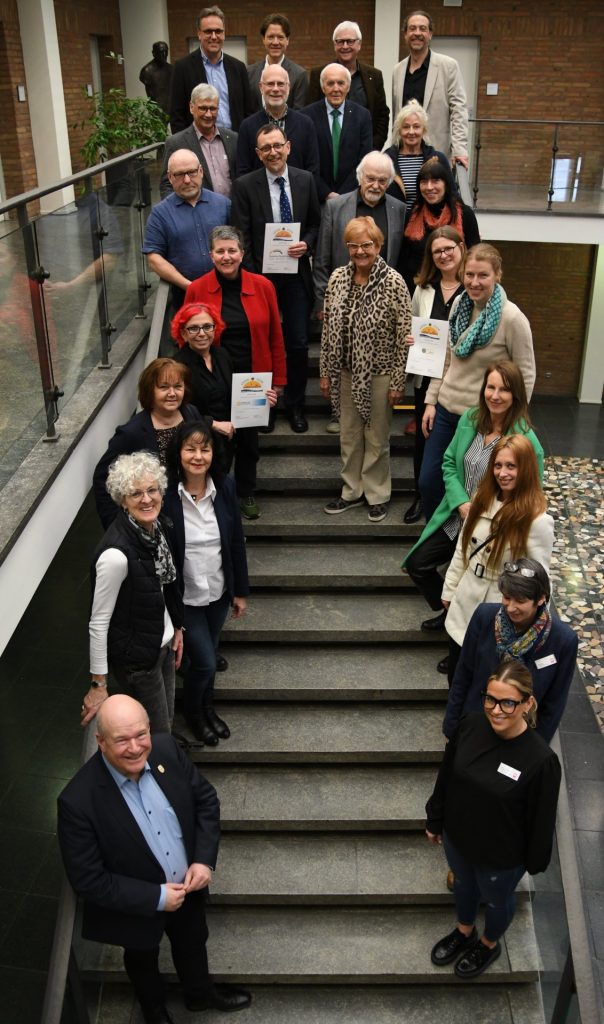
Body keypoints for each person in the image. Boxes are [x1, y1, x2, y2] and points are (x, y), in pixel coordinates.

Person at [58, 695, 251, 1023]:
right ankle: (155, 1011)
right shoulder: (76, 802)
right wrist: (158, 897)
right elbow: (88, 879)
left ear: (149, 729)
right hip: (135, 906)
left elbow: (205, 800)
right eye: (121, 740)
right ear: (100, 742)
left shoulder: (166, 750)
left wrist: (204, 861)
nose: (135, 748)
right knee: (141, 959)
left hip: (188, 889)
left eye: (140, 735)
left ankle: (199, 995)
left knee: (193, 943)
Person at [425, 661, 561, 979]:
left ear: (528, 703)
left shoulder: (541, 761)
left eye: (508, 702)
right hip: (458, 838)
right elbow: (447, 775)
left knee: (498, 901)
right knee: (463, 885)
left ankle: (488, 943)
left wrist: (533, 861)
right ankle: (464, 930)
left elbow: (541, 820)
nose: (496, 710)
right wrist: (435, 817)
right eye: (490, 699)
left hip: (501, 856)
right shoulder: (471, 724)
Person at [403, 361, 544, 642]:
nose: (495, 395)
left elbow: (531, 492)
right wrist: (460, 503)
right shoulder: (469, 419)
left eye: (503, 389)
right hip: (458, 516)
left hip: (492, 529)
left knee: (475, 586)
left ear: (515, 394)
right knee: (418, 564)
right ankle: (449, 613)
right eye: (490, 387)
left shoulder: (526, 440)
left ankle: (460, 644)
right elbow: (448, 463)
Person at [420, 243, 536, 521]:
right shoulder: (460, 305)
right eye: (469, 274)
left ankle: (462, 545)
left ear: (497, 275)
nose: (474, 282)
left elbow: (526, 373)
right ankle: (443, 538)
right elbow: (447, 357)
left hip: (481, 420)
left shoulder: (512, 318)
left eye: (483, 275)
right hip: (446, 410)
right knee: (428, 481)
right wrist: (431, 400)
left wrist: (512, 421)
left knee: (473, 489)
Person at [184, 226, 287, 520]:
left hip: (254, 380)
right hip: (212, 379)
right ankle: (212, 496)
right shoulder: (197, 289)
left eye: (232, 250)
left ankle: (246, 492)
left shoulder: (263, 286)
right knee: (213, 440)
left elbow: (275, 337)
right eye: (220, 251)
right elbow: (187, 334)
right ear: (211, 254)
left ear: (242, 254)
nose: (226, 256)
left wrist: (278, 382)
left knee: (249, 442)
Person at [82, 453, 184, 734]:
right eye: (135, 493)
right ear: (122, 499)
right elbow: (98, 624)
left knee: (166, 725)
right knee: (156, 735)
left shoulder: (155, 529)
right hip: (140, 661)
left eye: (152, 490)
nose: (147, 499)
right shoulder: (115, 555)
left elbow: (161, 588)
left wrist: (176, 627)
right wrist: (98, 685)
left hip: (162, 644)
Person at [441, 434, 554, 683]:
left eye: (511, 466)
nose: (503, 473)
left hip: (500, 610)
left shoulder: (537, 520)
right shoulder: (482, 498)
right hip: (466, 600)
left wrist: (529, 620)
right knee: (457, 678)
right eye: (498, 465)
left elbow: (539, 577)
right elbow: (463, 549)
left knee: (487, 684)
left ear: (525, 469)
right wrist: (449, 590)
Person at [320, 216, 411, 523]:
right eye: (353, 245)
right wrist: (324, 371)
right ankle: (350, 491)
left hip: (381, 374)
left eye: (366, 245)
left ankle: (377, 494)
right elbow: (327, 329)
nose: (360, 251)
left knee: (376, 437)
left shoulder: (395, 282)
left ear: (379, 245)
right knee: (348, 435)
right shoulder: (337, 278)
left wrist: (399, 380)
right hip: (345, 372)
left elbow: (404, 335)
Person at [162, 421, 249, 745]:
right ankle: (194, 714)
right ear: (178, 452)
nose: (198, 456)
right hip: (185, 599)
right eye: (190, 448)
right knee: (205, 662)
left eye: (205, 448)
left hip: (217, 591)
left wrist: (240, 590)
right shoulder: (166, 494)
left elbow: (236, 542)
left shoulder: (224, 487)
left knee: (209, 655)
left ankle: (208, 709)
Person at [232, 124, 321, 432]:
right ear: (258, 154)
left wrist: (306, 243)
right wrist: (254, 276)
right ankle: (265, 408)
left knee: (297, 344)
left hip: (296, 276)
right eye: (265, 148)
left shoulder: (305, 180)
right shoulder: (244, 185)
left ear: (288, 147)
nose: (272, 152)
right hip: (259, 278)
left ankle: (295, 405)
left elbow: (315, 223)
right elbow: (242, 234)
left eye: (277, 145)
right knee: (262, 344)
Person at [312, 151, 406, 435]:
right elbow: (322, 259)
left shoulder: (399, 209)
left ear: (388, 182)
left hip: (380, 300)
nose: (375, 184)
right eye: (370, 178)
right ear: (360, 178)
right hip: (342, 296)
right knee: (340, 356)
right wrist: (322, 300)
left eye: (382, 179)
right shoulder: (336, 206)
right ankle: (339, 413)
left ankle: (370, 417)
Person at [445, 558, 578, 742]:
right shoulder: (484, 616)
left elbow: (554, 703)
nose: (511, 607)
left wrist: (535, 749)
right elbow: (463, 675)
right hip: (474, 727)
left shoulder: (563, 640)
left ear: (540, 599)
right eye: (507, 597)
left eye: (520, 601)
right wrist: (451, 728)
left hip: (522, 737)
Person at [171, 301, 278, 502]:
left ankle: (246, 494)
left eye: (207, 327)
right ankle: (216, 502)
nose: (202, 333)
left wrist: (262, 399)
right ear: (183, 333)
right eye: (193, 328)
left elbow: (239, 390)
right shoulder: (178, 365)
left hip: (233, 419)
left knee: (249, 437)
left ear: (215, 329)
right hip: (202, 426)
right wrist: (213, 423)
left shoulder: (222, 354)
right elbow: (178, 410)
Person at [402, 227, 466, 524]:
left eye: (448, 248)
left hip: (461, 379)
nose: (443, 255)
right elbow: (415, 324)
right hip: (427, 376)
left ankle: (453, 501)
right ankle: (422, 495)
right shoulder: (423, 288)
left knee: (457, 442)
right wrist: (411, 340)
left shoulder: (473, 287)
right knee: (424, 439)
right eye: (437, 251)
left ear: (460, 247)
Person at [93, 358, 201, 530]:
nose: (172, 393)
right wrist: (116, 525)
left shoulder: (191, 413)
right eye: (164, 387)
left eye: (178, 386)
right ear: (149, 391)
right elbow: (102, 478)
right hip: (156, 519)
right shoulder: (131, 432)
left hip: (193, 510)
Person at [143, 149, 230, 313]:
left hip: (226, 292)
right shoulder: (160, 214)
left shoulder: (224, 205)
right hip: (186, 298)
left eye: (191, 172)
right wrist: (189, 286)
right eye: (179, 174)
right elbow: (154, 258)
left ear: (201, 171)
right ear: (170, 177)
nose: (187, 180)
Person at [392, 10, 469, 166]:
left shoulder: (448, 66)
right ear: (405, 34)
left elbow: (459, 109)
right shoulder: (398, 70)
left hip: (436, 153)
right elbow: (397, 116)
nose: (417, 33)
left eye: (423, 28)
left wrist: (460, 150)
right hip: (404, 154)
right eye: (412, 28)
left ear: (430, 34)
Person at [398, 159, 479, 294]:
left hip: (455, 290)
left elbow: (474, 255)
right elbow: (404, 259)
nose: (429, 187)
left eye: (435, 181)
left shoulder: (465, 214)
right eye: (424, 182)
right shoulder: (412, 215)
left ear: (446, 184)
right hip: (417, 290)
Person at [169, 5, 255, 134]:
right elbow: (177, 115)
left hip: (234, 143)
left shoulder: (238, 68)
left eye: (218, 31)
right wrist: (185, 147)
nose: (214, 36)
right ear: (199, 34)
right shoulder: (183, 68)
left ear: (224, 34)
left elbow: (248, 111)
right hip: (198, 145)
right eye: (208, 31)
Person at [307, 21, 389, 150]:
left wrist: (372, 148)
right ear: (334, 45)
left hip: (364, 152)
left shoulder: (374, 76)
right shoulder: (319, 74)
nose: (345, 46)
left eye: (350, 41)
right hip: (327, 150)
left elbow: (382, 115)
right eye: (340, 41)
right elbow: (310, 112)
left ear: (359, 44)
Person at [302, 63, 373, 202]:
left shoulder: (362, 116)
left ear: (348, 86)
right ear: (323, 87)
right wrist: (326, 193)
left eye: (341, 83)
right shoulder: (306, 116)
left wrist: (344, 195)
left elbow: (364, 160)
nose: (336, 89)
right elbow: (306, 161)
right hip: (317, 197)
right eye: (330, 83)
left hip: (352, 197)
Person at [235, 64, 319, 180]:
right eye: (270, 84)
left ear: (288, 87)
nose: (275, 89)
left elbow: (313, 170)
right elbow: (242, 172)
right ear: (261, 88)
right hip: (260, 196)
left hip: (298, 196)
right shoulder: (247, 126)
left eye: (280, 84)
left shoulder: (305, 124)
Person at [160, 84, 237, 199]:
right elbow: (167, 186)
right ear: (191, 107)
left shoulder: (233, 138)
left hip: (232, 212)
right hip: (195, 213)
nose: (208, 114)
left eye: (213, 109)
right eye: (203, 108)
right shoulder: (176, 143)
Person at [384, 99, 450, 206]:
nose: (411, 132)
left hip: (428, 221)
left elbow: (452, 194)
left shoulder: (438, 159)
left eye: (416, 126)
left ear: (424, 129)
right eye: (406, 127)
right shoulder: (386, 160)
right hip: (396, 221)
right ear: (399, 130)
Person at [247, 13, 308, 110]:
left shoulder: (299, 75)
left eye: (280, 37)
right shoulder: (249, 73)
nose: (275, 42)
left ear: (287, 40)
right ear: (263, 39)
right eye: (271, 37)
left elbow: (299, 114)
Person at [139, 41, 173, 115]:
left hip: (171, 108)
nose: (164, 54)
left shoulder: (171, 69)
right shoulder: (147, 71)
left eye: (166, 51)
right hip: (156, 110)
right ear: (154, 53)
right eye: (161, 52)